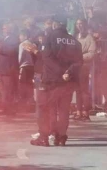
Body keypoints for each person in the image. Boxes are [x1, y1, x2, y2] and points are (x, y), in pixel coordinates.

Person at [29, 15, 82, 147]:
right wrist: (68, 72)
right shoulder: (75, 41)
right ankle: (61, 137)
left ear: (54, 25)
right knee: (64, 109)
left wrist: (36, 52)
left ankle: (44, 137)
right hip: (68, 81)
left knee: (45, 108)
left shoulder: (49, 38)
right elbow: (79, 62)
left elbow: (47, 59)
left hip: (51, 81)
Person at [0, 22, 20, 115]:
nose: (3, 30)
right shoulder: (4, 39)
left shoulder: (14, 39)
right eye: (3, 28)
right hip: (2, 69)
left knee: (8, 90)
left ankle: (9, 109)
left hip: (9, 69)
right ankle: (5, 108)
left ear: (10, 29)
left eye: (5, 28)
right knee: (3, 90)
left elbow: (12, 51)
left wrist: (0, 48)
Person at [73, 19, 96, 120]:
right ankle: (78, 112)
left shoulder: (89, 38)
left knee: (84, 90)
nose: (79, 26)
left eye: (81, 24)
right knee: (77, 90)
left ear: (85, 25)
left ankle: (85, 112)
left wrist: (80, 57)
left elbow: (92, 53)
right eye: (78, 24)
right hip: (75, 66)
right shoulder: (74, 37)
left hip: (84, 66)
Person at [18, 30, 36, 111]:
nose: (19, 37)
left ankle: (24, 104)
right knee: (30, 84)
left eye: (20, 36)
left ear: (24, 36)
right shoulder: (31, 44)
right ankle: (31, 101)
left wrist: (18, 64)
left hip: (24, 66)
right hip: (31, 66)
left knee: (23, 85)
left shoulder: (22, 44)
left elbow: (20, 56)